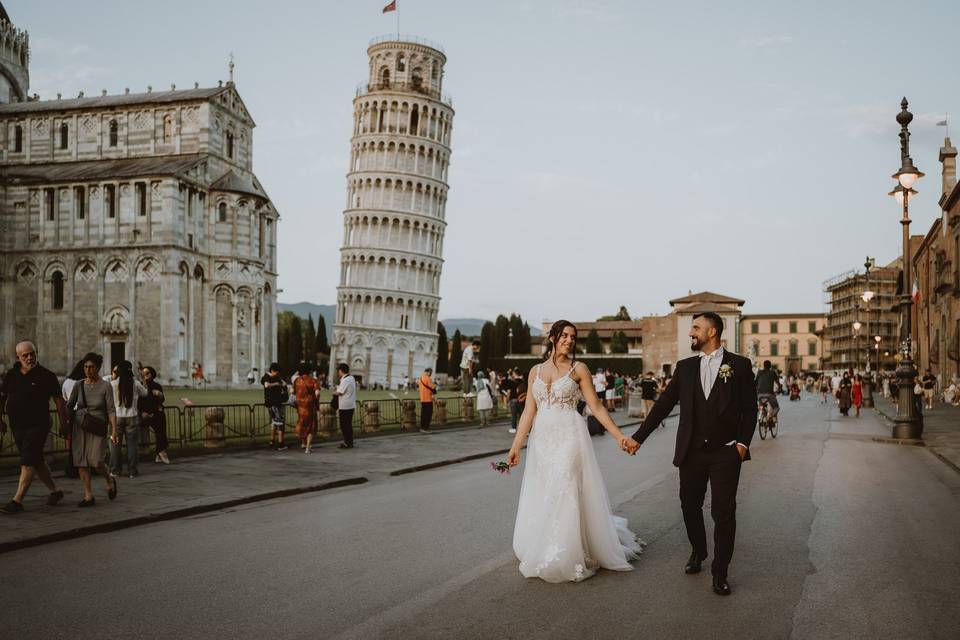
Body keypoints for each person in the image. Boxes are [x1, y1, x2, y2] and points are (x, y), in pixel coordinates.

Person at [622, 312, 757, 596]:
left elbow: (750, 409)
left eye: (696, 328)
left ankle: (720, 572)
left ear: (713, 331)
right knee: (689, 506)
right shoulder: (684, 368)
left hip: (726, 452)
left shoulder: (740, 366)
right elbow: (662, 406)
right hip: (692, 452)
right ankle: (699, 551)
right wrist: (638, 438)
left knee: (724, 513)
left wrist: (742, 445)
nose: (690, 333)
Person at [507, 320, 643, 582]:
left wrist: (619, 436)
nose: (570, 340)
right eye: (565, 335)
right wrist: (516, 446)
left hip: (570, 435)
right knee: (546, 488)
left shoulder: (579, 369)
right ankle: (546, 542)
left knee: (565, 484)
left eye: (573, 336)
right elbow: (528, 411)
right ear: (553, 338)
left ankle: (567, 551)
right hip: (543, 439)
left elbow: (597, 407)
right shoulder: (534, 371)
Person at [0, 341, 71, 514]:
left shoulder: (46, 375)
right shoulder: (11, 375)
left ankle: (17, 501)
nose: (30, 358)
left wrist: (63, 423)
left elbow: (59, 401)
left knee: (27, 461)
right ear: (18, 357)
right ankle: (55, 491)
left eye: (32, 354)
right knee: (36, 460)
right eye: (25, 355)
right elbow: (2, 397)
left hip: (38, 424)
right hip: (17, 425)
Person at [66, 353, 119, 507]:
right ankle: (88, 496)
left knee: (96, 461)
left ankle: (109, 479)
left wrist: (114, 431)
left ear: (98, 368)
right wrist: (68, 419)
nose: (88, 370)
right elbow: (69, 406)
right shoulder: (79, 385)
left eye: (91, 367)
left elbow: (111, 410)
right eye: (86, 367)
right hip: (80, 426)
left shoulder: (105, 386)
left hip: (98, 426)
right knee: (81, 461)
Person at [107, 361, 148, 478]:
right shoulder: (135, 384)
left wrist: (113, 376)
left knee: (115, 445)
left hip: (117, 417)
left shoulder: (112, 384)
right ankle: (132, 471)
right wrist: (143, 379)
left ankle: (115, 470)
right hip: (132, 416)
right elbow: (145, 393)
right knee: (132, 446)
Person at [140, 366, 170, 464]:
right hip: (143, 414)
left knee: (160, 421)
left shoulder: (157, 386)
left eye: (147, 373)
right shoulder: (140, 386)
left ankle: (159, 451)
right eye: (144, 374)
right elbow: (138, 402)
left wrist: (160, 395)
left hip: (154, 413)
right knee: (160, 423)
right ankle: (161, 451)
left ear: (152, 374)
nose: (145, 375)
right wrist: (142, 412)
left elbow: (160, 401)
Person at [261, 363, 288, 450]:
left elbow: (284, 384)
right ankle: (280, 444)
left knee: (273, 422)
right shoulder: (266, 377)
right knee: (280, 422)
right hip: (274, 403)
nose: (278, 374)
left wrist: (282, 383)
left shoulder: (276, 377)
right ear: (272, 370)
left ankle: (272, 440)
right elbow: (266, 385)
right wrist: (276, 384)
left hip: (272, 403)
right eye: (277, 372)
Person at [293, 363, 319, 453]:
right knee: (311, 426)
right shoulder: (313, 381)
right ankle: (308, 447)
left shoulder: (297, 380)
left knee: (303, 424)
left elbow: (292, 391)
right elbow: (317, 393)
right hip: (310, 406)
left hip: (300, 407)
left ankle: (303, 443)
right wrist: (316, 400)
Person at [332, 363, 357, 449]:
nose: (338, 373)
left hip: (345, 406)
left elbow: (340, 392)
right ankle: (349, 442)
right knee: (348, 425)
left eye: (338, 371)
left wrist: (333, 392)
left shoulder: (345, 380)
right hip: (350, 404)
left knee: (344, 425)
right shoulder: (351, 378)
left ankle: (347, 442)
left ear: (341, 371)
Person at [418, 367, 436, 432]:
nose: (431, 374)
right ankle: (426, 428)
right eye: (431, 373)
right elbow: (433, 388)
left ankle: (422, 428)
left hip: (422, 399)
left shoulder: (420, 379)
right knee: (428, 414)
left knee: (423, 414)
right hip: (428, 399)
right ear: (428, 372)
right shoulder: (428, 379)